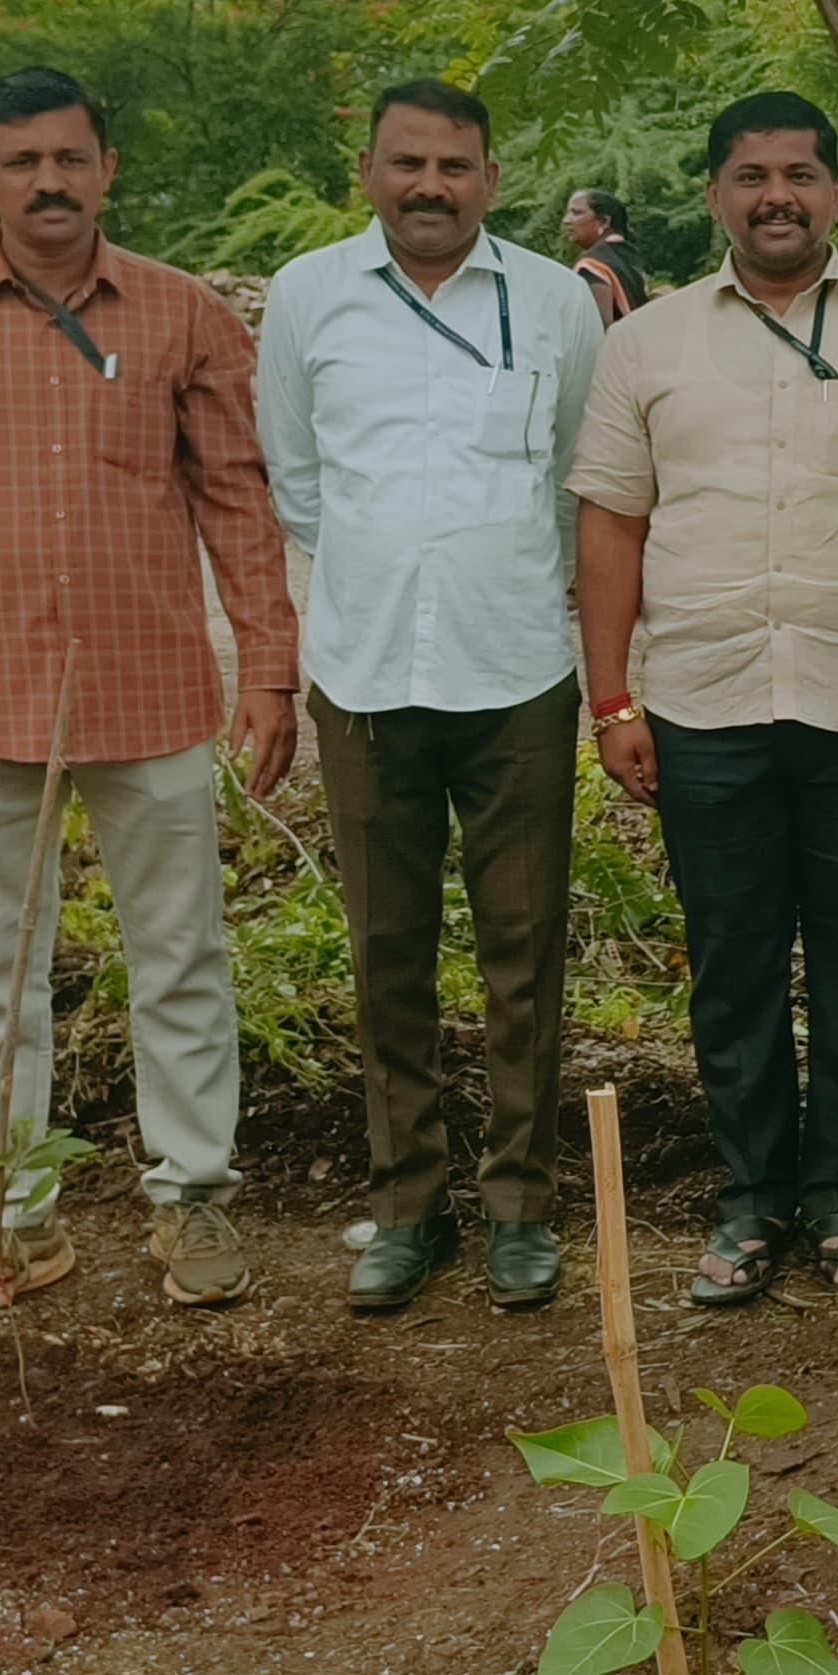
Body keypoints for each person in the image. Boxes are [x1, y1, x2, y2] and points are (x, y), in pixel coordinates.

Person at [0, 66, 299, 1320]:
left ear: (107, 169)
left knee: (179, 960)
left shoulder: (186, 315)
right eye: (20, 162)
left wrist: (270, 667)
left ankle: (193, 1201)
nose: (48, 182)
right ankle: (8, 1227)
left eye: (70, 159)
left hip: (149, 697)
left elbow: (240, 504)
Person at [571, 90, 838, 1304]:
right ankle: (750, 1199)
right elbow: (610, 522)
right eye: (750, 176)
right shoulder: (646, 344)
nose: (775, 196)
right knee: (732, 960)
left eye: (799, 174)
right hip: (704, 703)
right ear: (713, 196)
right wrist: (611, 701)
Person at [256, 79, 602, 1316]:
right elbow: (296, 483)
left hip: (515, 672)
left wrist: (497, 577)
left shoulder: (558, 302)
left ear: (491, 181)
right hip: (360, 674)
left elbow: (579, 477)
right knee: (386, 952)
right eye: (407, 164)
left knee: (522, 951)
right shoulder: (307, 298)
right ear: (367, 172)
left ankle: (519, 1210)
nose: (429, 188)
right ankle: (406, 1207)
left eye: (455, 166)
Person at [562, 188, 650, 327]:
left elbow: (599, 329)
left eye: (576, 213)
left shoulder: (592, 265)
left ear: (604, 221)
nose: (566, 220)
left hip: (618, 347)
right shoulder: (630, 257)